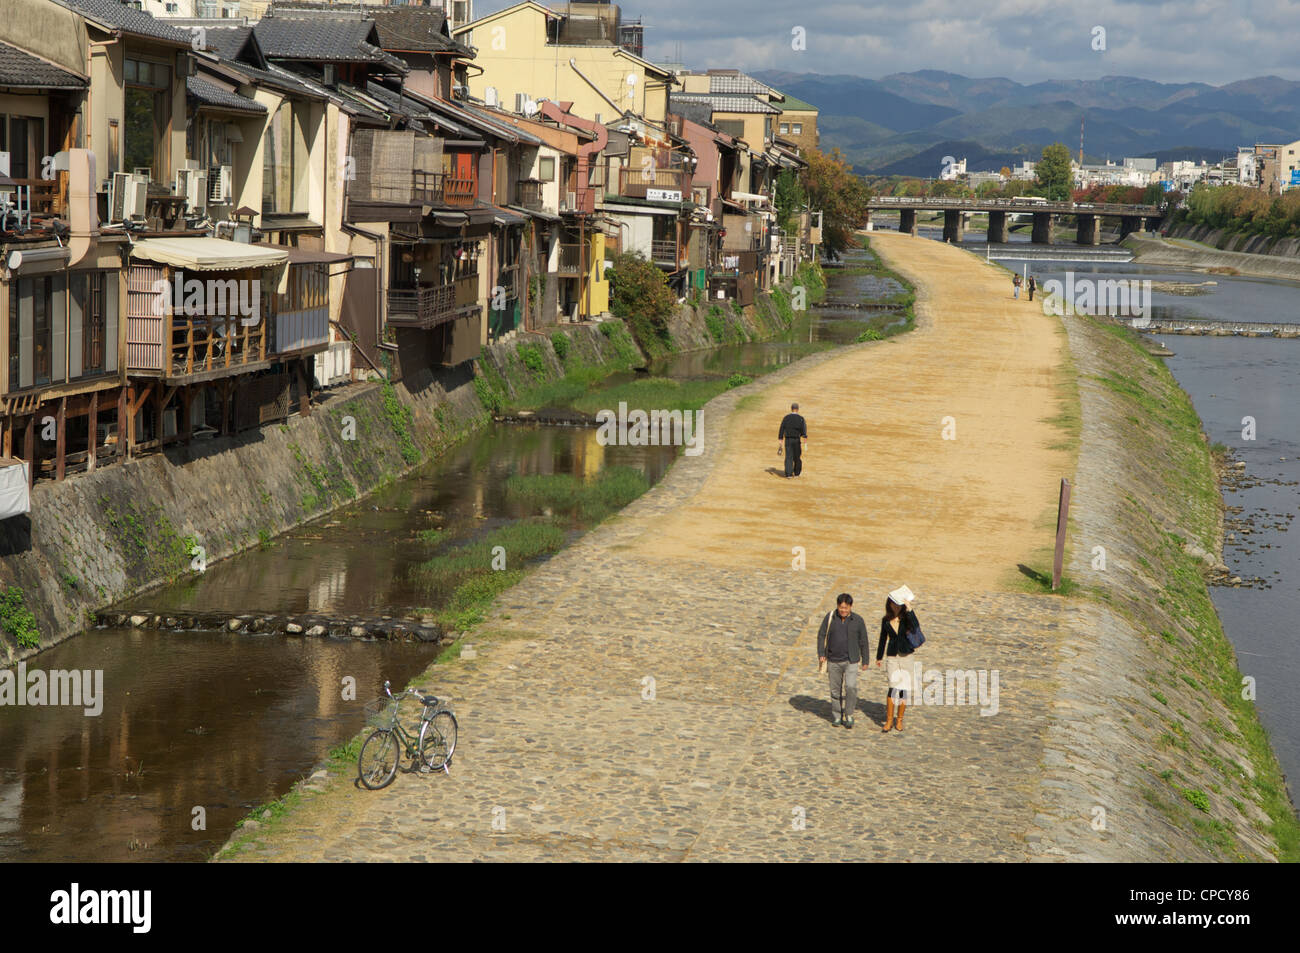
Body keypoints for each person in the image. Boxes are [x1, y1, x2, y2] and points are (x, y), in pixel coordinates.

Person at [817, 593, 871, 728]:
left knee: (851, 687)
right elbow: (821, 635)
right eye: (841, 607)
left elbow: (863, 641)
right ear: (837, 606)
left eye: (846, 608)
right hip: (833, 660)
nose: (843, 610)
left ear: (851, 607)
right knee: (835, 691)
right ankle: (836, 715)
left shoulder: (858, 620)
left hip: (851, 660)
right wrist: (821, 653)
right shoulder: (830, 618)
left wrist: (865, 660)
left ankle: (849, 714)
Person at [875, 586, 921, 732]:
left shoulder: (906, 618)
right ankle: (889, 720)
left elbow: (916, 626)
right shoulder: (886, 620)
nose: (893, 606)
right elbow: (883, 638)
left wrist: (910, 609)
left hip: (906, 655)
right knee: (892, 687)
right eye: (891, 603)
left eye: (896, 604)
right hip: (892, 656)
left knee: (904, 689)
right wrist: (879, 656)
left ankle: (899, 720)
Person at [777, 402, 807, 478]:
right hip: (797, 440)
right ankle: (797, 473)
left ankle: (789, 473)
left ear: (791, 409)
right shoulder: (801, 418)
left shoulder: (786, 418)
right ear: (797, 409)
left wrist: (780, 439)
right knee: (797, 456)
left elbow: (782, 428)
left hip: (788, 439)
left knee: (789, 456)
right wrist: (804, 438)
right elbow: (804, 430)